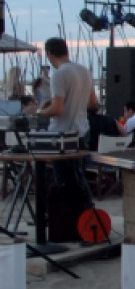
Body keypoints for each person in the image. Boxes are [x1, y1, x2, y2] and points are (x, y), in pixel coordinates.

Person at [37, 37, 97, 193]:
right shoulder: (84, 71)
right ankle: (84, 211)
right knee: (78, 179)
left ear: (49, 54)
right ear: (66, 51)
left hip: (62, 135)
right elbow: (92, 103)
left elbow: (57, 110)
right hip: (82, 132)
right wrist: (73, 102)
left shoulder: (59, 74)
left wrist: (40, 112)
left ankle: (67, 215)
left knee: (65, 184)